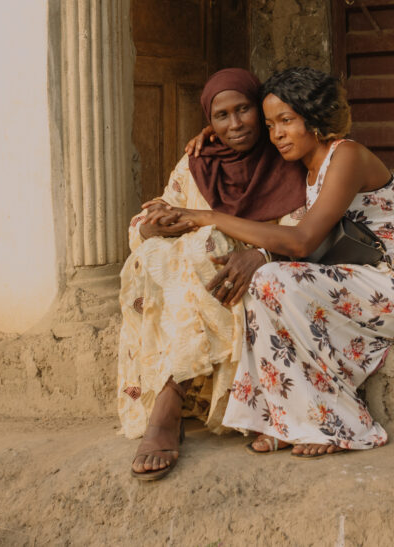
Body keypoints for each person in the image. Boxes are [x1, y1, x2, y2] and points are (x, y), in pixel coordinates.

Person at [151, 67, 394, 458]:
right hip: (358, 282)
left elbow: (302, 242)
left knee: (271, 279)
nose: (276, 134)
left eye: (286, 121)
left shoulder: (347, 156)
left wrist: (207, 217)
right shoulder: (303, 164)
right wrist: (209, 137)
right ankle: (284, 420)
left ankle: (335, 425)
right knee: (261, 284)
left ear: (315, 118)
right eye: (270, 125)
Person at [119, 68, 306, 481]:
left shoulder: (288, 157)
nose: (235, 124)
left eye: (244, 110)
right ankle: (172, 395)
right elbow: (156, 211)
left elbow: (302, 229)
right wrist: (153, 226)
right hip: (201, 278)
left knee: (206, 250)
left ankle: (168, 406)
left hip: (249, 268)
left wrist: (260, 251)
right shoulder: (196, 161)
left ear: (261, 109)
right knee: (157, 253)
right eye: (222, 115)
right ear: (209, 120)